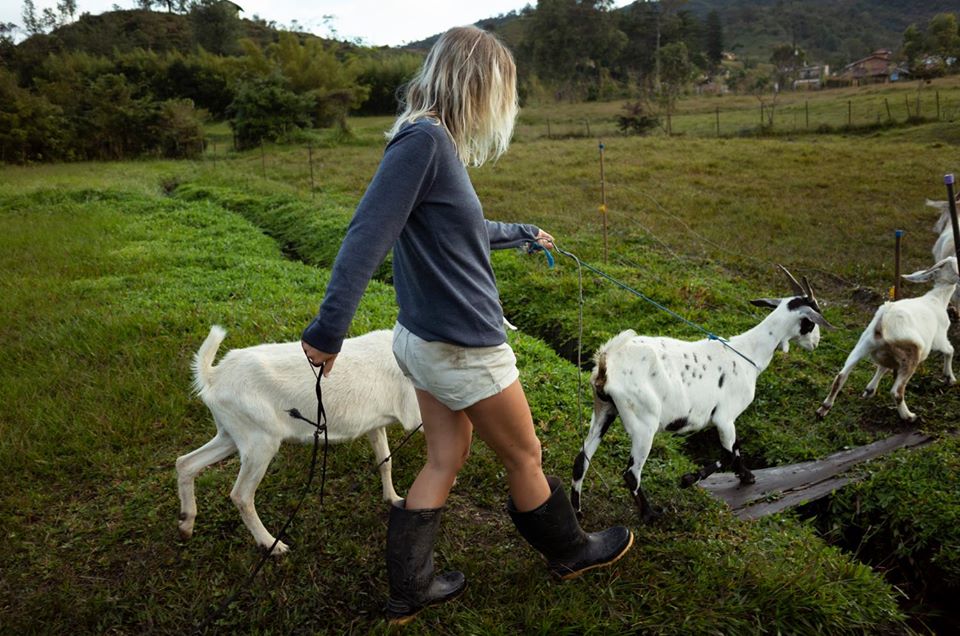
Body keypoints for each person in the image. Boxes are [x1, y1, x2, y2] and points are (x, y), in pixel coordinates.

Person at [301, 25, 633, 626]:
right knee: (525, 454)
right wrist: (328, 333)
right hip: (464, 346)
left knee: (443, 457)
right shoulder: (425, 143)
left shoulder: (426, 142)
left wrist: (521, 234)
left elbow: (459, 229)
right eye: (501, 92)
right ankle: (571, 553)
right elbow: (364, 238)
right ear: (477, 85)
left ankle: (410, 591)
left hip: (425, 339)